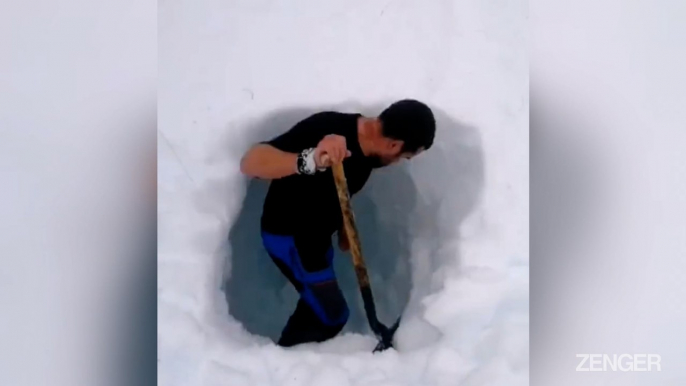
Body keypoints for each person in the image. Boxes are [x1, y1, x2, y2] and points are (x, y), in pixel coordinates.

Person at [240, 99, 436, 347]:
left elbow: (334, 190)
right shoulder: (327, 130)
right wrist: (310, 160)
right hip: (289, 239)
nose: (397, 162)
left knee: (317, 297)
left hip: (317, 239)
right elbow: (251, 163)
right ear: (394, 144)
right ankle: (285, 357)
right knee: (332, 316)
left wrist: (343, 225)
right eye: (403, 157)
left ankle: (311, 300)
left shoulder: (368, 150)